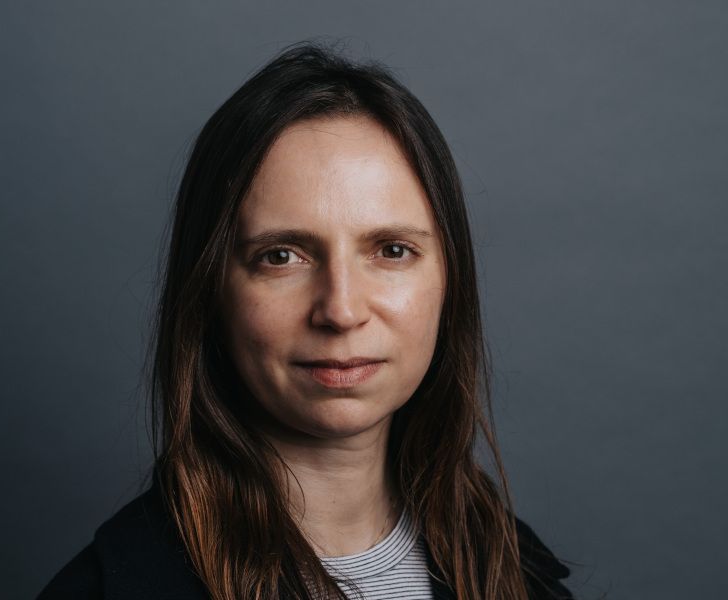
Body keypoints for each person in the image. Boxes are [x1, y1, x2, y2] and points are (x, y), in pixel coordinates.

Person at [36, 41, 575, 600]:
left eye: (390, 251)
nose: (341, 310)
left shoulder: (518, 572)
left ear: (450, 280)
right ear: (211, 291)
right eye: (281, 256)